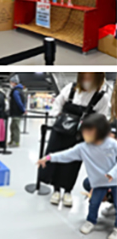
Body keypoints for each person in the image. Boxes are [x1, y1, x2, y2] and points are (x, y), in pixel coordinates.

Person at [38, 112, 117, 239]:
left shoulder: (112, 144)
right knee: (94, 203)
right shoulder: (83, 148)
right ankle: (90, 221)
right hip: (99, 182)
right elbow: (66, 155)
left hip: (115, 180)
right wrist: (49, 157)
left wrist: (112, 174)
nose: (85, 135)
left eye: (89, 132)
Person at [41, 72, 111, 208]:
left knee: (73, 163)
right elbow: (58, 103)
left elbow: (101, 118)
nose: (87, 80)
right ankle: (56, 190)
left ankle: (67, 190)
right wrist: (56, 117)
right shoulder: (71, 88)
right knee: (56, 158)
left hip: (80, 136)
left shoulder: (102, 97)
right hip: (60, 132)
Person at [8, 75, 26, 148]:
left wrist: (23, 109)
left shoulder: (16, 91)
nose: (10, 84)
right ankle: (12, 140)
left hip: (16, 112)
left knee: (15, 127)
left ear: (14, 82)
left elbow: (19, 102)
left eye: (11, 82)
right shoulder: (20, 90)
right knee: (12, 126)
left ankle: (16, 142)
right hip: (16, 112)